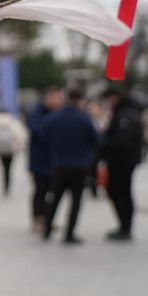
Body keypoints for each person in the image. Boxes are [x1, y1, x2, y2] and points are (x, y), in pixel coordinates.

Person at [41, 89, 99, 244]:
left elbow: (43, 136)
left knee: (54, 197)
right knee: (76, 201)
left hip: (59, 164)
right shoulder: (84, 118)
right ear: (80, 100)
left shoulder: (53, 117)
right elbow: (96, 140)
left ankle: (47, 229)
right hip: (80, 166)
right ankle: (69, 234)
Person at [99, 86, 144, 241]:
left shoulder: (126, 115)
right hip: (122, 160)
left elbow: (122, 141)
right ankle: (124, 225)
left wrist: (104, 144)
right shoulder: (125, 112)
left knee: (119, 192)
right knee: (121, 191)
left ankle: (125, 226)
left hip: (122, 161)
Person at [25, 88, 63, 231]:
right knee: (40, 190)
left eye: (59, 98)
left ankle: (47, 218)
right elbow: (37, 131)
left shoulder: (58, 113)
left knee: (52, 191)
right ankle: (37, 219)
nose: (57, 101)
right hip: (39, 160)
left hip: (54, 160)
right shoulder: (36, 113)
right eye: (55, 97)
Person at [0, 108, 28, 197]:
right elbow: (20, 135)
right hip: (11, 149)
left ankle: (4, 185)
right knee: (9, 168)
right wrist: (18, 146)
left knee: (3, 168)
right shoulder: (13, 122)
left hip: (0, 149)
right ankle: (8, 185)